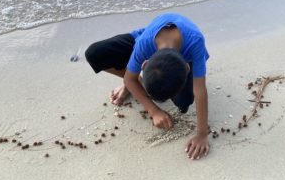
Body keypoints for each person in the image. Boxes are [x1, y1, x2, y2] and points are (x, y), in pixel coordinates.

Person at [85, 12, 211, 160]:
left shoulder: (195, 42)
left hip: (182, 56)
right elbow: (129, 79)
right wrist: (153, 110)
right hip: (146, 39)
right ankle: (133, 79)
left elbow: (200, 90)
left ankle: (133, 80)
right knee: (94, 53)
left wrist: (202, 134)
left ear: (187, 68)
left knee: (184, 103)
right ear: (144, 64)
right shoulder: (143, 44)